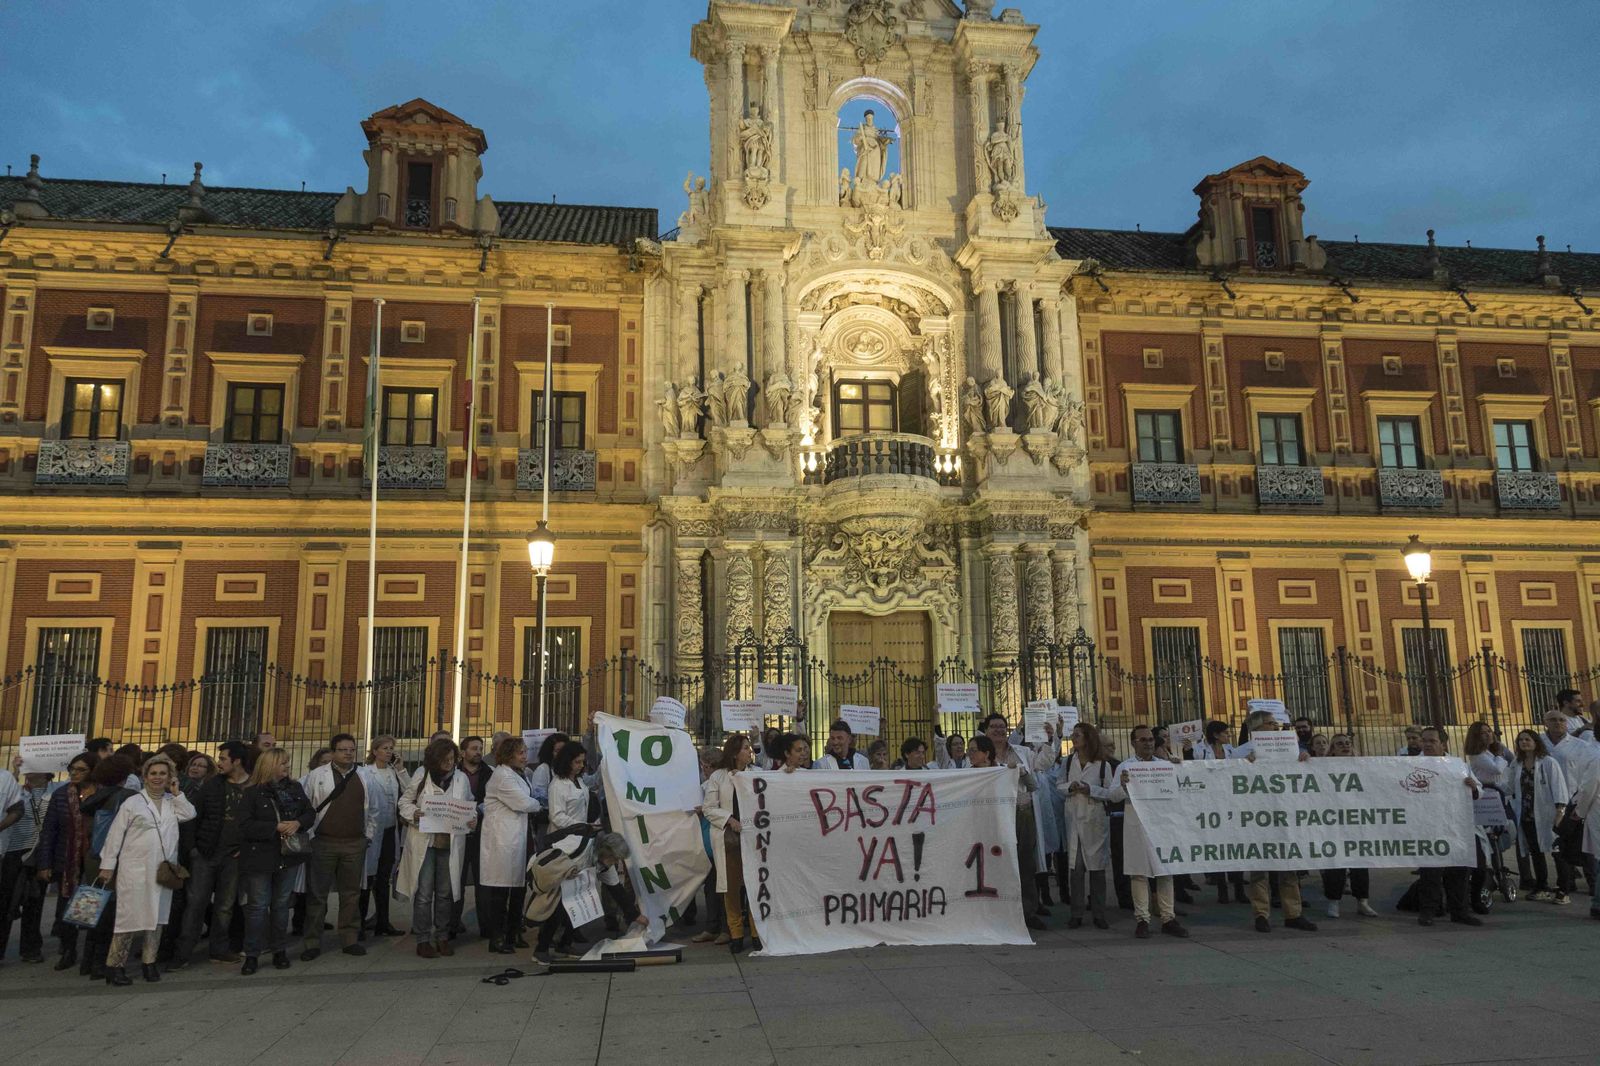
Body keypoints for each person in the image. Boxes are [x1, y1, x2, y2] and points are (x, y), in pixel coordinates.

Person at [96, 754, 197, 985]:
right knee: (128, 917)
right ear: (145, 776)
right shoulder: (133, 803)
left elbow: (190, 814)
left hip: (163, 871)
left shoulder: (173, 802)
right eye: (153, 773)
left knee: (158, 917)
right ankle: (115, 965)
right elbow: (115, 835)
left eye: (163, 773)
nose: (157, 778)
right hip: (135, 869)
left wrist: (177, 793)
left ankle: (149, 963)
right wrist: (107, 865)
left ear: (170, 777)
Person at [171, 740, 254, 969]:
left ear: (237, 761)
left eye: (223, 759)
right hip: (206, 853)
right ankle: (182, 953)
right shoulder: (212, 785)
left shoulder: (254, 787)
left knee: (225, 906)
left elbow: (258, 820)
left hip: (234, 856)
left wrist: (246, 848)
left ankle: (219, 949)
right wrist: (193, 849)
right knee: (195, 904)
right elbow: (193, 816)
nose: (219, 763)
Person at [1234, 709, 1317, 934]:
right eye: (1271, 723)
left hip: (1284, 814)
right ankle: (1261, 914)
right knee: (1259, 869)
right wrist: (1243, 765)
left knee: (1289, 866)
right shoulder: (1241, 752)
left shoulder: (1290, 747)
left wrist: (1305, 758)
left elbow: (1305, 769)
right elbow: (1229, 779)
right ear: (1256, 727)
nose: (1276, 727)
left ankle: (1293, 913)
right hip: (1256, 817)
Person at [1103, 726, 1188, 939]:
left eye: (1150, 739)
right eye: (1143, 740)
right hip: (1137, 824)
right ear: (1133, 743)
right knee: (1138, 872)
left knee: (1165, 871)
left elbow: (1181, 789)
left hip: (1161, 825)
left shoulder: (1165, 765)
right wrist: (1123, 786)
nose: (1148, 743)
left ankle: (1168, 918)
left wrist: (1180, 768)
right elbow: (1112, 796)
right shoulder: (1126, 767)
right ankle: (1142, 919)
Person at [396, 737, 476, 959]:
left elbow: (470, 804)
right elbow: (404, 802)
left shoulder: (461, 779)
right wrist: (414, 814)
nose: (449, 763)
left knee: (445, 893)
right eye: (445, 759)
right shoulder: (422, 775)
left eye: (452, 759)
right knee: (423, 894)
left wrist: (472, 819)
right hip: (426, 842)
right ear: (434, 759)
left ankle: (442, 936)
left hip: (449, 844)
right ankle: (423, 939)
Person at [300, 733, 379, 961]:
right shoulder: (317, 776)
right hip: (323, 843)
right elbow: (306, 807)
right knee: (317, 895)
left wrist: (367, 837)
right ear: (333, 752)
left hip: (354, 843)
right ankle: (312, 942)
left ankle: (349, 938)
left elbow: (374, 809)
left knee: (351, 894)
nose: (348, 753)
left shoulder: (365, 776)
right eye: (343, 749)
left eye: (352, 750)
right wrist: (311, 837)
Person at [237, 748, 313, 974]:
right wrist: (274, 827)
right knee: (258, 906)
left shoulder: (295, 788)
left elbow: (309, 812)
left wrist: (298, 823)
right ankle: (252, 953)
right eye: (282, 763)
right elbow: (244, 824)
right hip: (261, 856)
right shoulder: (253, 793)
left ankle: (279, 950)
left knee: (281, 905)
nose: (287, 766)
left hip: (288, 856)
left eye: (287, 762)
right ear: (269, 766)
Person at [526, 828, 646, 964]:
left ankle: (564, 944)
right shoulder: (578, 844)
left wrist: (635, 915)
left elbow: (617, 890)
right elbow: (547, 853)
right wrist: (564, 869)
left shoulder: (605, 865)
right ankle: (541, 950)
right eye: (615, 858)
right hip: (542, 873)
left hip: (568, 883)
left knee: (582, 906)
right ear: (606, 851)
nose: (615, 862)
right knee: (558, 908)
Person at [981, 713, 1048, 931]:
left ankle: (1028, 912)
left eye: (1002, 726)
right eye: (994, 726)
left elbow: (1041, 768)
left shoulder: (1022, 752)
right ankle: (998, 913)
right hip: (994, 815)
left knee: (1025, 863)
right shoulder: (981, 755)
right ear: (986, 730)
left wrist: (1049, 739)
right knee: (996, 863)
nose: (999, 730)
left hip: (1022, 812)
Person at [32, 752, 98, 971]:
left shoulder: (101, 794)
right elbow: (49, 830)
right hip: (66, 860)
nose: (75, 773)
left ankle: (89, 954)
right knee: (66, 907)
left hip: (91, 860)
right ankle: (68, 948)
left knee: (87, 907)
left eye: (81, 770)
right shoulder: (61, 795)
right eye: (72, 769)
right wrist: (45, 863)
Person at [1415, 726, 1484, 927]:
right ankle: (1428, 911)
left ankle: (1459, 911)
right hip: (1428, 825)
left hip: (1456, 824)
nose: (1427, 744)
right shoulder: (1411, 764)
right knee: (1430, 872)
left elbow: (1479, 790)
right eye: (1424, 740)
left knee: (1459, 870)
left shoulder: (1457, 765)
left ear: (1443, 744)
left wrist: (1474, 787)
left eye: (1432, 741)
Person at [480, 735, 541, 954]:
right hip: (503, 840)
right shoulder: (502, 777)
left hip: (518, 838)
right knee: (501, 891)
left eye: (525, 752)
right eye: (521, 753)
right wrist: (540, 804)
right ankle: (497, 937)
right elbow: (524, 803)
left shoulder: (518, 774)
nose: (525, 756)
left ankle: (513, 934)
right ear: (508, 755)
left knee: (518, 889)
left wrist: (535, 803)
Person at [1503, 728, 1570, 904]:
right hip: (1527, 815)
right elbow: (1508, 786)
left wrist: (1560, 810)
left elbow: (1559, 787)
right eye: (1521, 740)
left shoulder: (1548, 762)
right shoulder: (1517, 763)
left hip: (1548, 814)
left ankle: (1563, 890)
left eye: (1528, 739)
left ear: (1535, 742)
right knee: (1536, 852)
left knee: (1557, 852)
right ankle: (1542, 887)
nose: (1524, 742)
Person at [701, 733, 755, 954]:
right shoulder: (719, 777)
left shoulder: (756, 774)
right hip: (729, 840)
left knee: (754, 886)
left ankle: (756, 932)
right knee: (731, 889)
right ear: (734, 753)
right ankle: (736, 933)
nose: (749, 751)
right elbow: (708, 808)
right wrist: (729, 819)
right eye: (745, 748)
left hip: (753, 839)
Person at [1057, 722, 1112, 930]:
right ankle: (1076, 913)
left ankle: (1099, 913)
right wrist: (1069, 787)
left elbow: (1110, 792)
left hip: (1094, 820)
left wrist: (1091, 790)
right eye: (1073, 734)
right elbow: (1058, 785)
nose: (1074, 737)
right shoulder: (1068, 761)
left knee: (1097, 870)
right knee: (1076, 869)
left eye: (1078, 734)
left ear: (1088, 738)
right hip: (1074, 819)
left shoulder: (1103, 765)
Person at [1, 761, 55, 964]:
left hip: (39, 854)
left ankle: (31, 948)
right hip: (13, 852)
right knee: (5, 900)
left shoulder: (56, 792)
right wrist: (15, 771)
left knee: (34, 902)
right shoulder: (16, 790)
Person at [1320, 733, 1378, 918]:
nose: (1345, 746)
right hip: (1334, 822)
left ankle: (1363, 901)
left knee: (1360, 862)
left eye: (1347, 743)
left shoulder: (1363, 766)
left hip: (1357, 821)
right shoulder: (1322, 768)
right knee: (1335, 862)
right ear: (1332, 750)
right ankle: (1333, 901)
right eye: (1339, 744)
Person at [358, 735, 407, 939]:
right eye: (385, 748)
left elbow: (409, 791)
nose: (388, 751)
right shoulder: (364, 772)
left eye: (391, 748)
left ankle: (383, 922)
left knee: (384, 878)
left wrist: (401, 769)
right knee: (366, 878)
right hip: (371, 831)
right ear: (375, 750)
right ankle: (359, 924)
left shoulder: (393, 772)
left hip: (389, 830)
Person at [454, 735, 492, 938]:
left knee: (483, 882)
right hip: (458, 832)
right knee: (455, 880)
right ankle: (452, 925)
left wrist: (478, 811)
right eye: (473, 748)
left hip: (482, 833)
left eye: (480, 748)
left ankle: (486, 926)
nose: (478, 752)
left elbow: (493, 800)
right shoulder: (454, 772)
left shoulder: (490, 773)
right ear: (463, 752)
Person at [547, 743, 592, 834]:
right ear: (567, 762)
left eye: (583, 762)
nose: (582, 765)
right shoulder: (557, 785)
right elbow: (557, 817)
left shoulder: (578, 780)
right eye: (577, 762)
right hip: (563, 836)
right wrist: (580, 826)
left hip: (579, 833)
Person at [1464, 722, 1509, 791]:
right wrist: (1499, 755)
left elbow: (1512, 759)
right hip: (1488, 791)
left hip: (1501, 788)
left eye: (1489, 731)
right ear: (1476, 737)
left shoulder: (1492, 750)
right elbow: (1497, 769)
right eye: (1483, 733)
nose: (1488, 735)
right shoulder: (1477, 755)